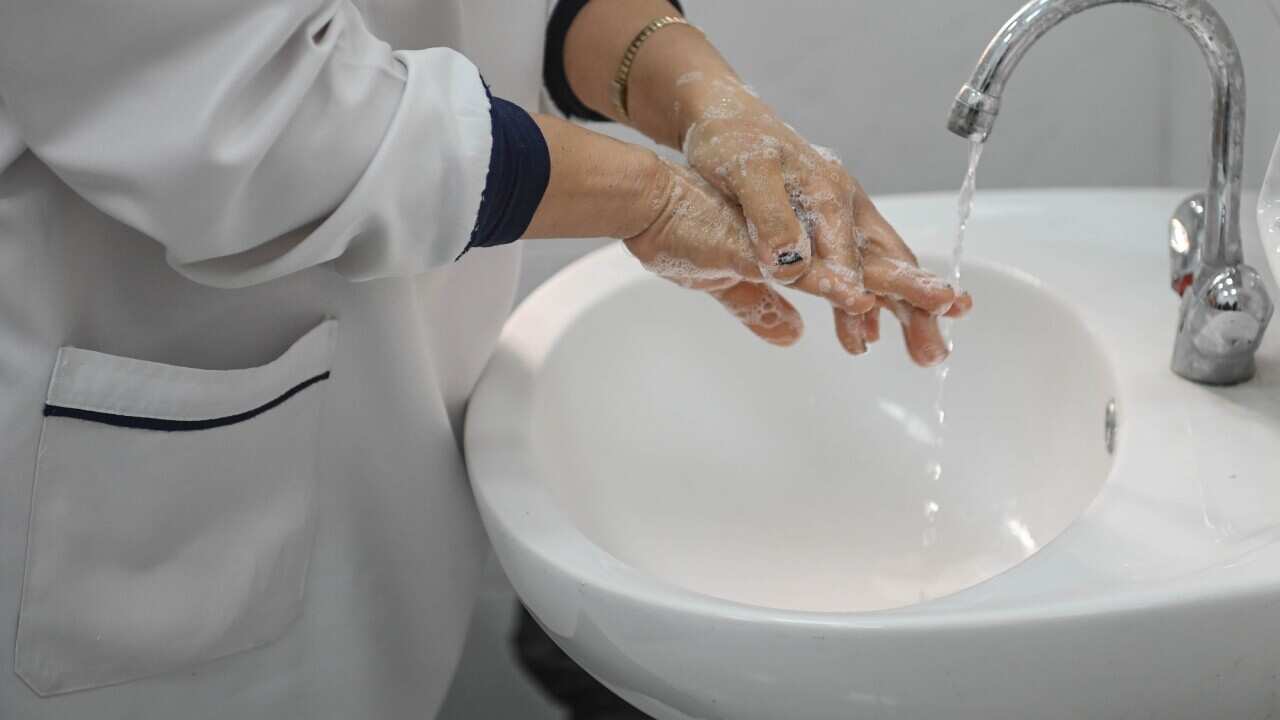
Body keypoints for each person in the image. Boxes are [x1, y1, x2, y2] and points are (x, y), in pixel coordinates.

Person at [0, 1, 970, 718]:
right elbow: (245, 110)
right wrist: (649, 198)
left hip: (368, 399)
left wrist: (698, 92)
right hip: (113, 404)